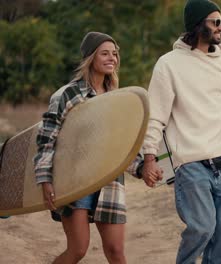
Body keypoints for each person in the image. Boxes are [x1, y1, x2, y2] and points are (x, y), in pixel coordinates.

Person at [141, 0, 221, 263]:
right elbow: (155, 116)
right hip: (192, 165)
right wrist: (148, 158)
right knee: (202, 229)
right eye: (216, 22)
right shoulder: (168, 64)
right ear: (197, 25)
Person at [34, 32, 142, 264]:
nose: (111, 58)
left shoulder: (117, 98)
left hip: (110, 181)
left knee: (116, 251)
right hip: (75, 179)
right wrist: (45, 179)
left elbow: (121, 143)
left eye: (114, 54)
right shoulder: (67, 95)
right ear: (90, 57)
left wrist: (142, 168)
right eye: (104, 53)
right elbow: (46, 139)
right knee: (78, 249)